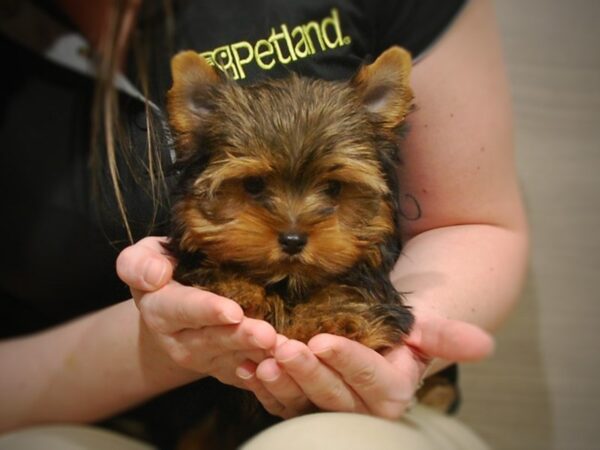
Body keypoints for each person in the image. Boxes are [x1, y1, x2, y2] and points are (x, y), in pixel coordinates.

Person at [0, 0, 528, 448]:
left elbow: (472, 221)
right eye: (253, 187)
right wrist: (174, 339)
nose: (293, 227)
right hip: (104, 420)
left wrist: (406, 345)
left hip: (367, 414)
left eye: (332, 189)